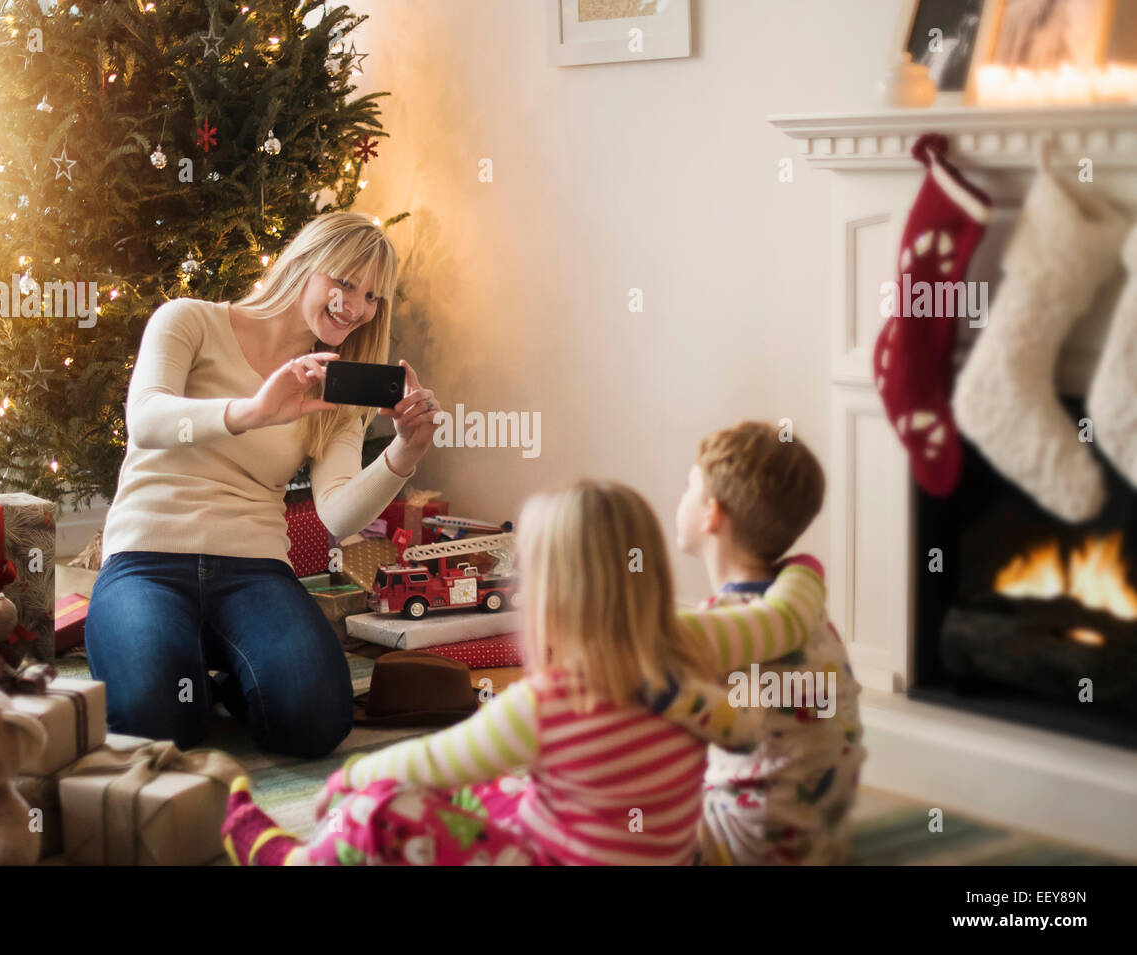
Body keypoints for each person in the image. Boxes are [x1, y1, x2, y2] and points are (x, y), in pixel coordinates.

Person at [221, 480, 826, 865]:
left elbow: (426, 761)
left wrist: (350, 778)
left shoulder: (547, 704)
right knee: (496, 789)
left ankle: (293, 860)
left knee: (379, 810)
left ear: (549, 599)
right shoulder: (694, 667)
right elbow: (768, 674)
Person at [85, 212, 441, 756]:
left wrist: (404, 452)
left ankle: (225, 672)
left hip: (252, 571)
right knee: (155, 726)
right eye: (343, 282)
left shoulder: (338, 388)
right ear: (304, 263)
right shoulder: (189, 321)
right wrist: (253, 411)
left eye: (372, 296)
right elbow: (147, 419)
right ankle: (194, 672)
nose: (356, 305)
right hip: (147, 558)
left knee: (318, 719)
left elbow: (338, 515)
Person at [674, 421, 865, 864]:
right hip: (820, 841)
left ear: (711, 514)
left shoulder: (717, 630)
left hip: (741, 846)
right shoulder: (805, 606)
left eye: (689, 486)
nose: (680, 496)